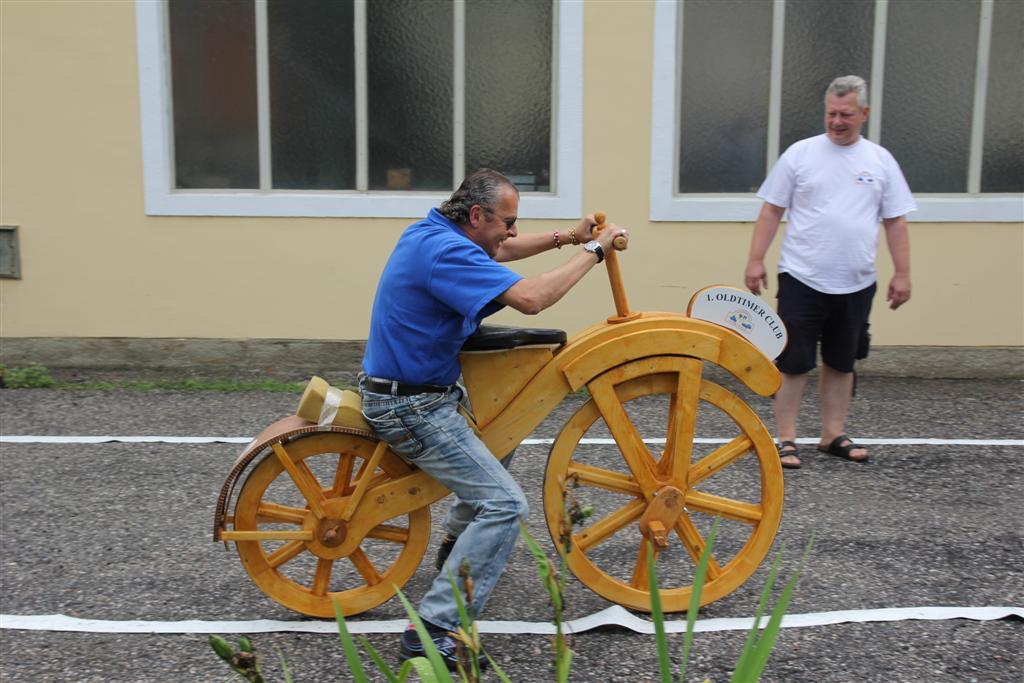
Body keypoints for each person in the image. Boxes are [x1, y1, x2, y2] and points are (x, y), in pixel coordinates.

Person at [359, 168, 626, 668]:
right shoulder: (446, 251)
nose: (512, 231)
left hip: (421, 391)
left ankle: (457, 556)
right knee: (506, 504)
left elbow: (499, 252)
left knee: (500, 442)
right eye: (508, 220)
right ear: (477, 215)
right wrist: (595, 252)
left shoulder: (434, 232)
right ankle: (434, 631)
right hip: (411, 405)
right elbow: (530, 299)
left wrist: (569, 235)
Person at [743, 75, 915, 469]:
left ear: (864, 114)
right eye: (832, 113)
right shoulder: (800, 155)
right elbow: (771, 210)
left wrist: (902, 274)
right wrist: (755, 261)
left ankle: (831, 434)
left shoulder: (880, 160)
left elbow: (896, 221)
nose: (837, 121)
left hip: (856, 283)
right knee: (793, 361)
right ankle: (785, 439)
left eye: (846, 114)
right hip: (802, 277)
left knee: (842, 361)